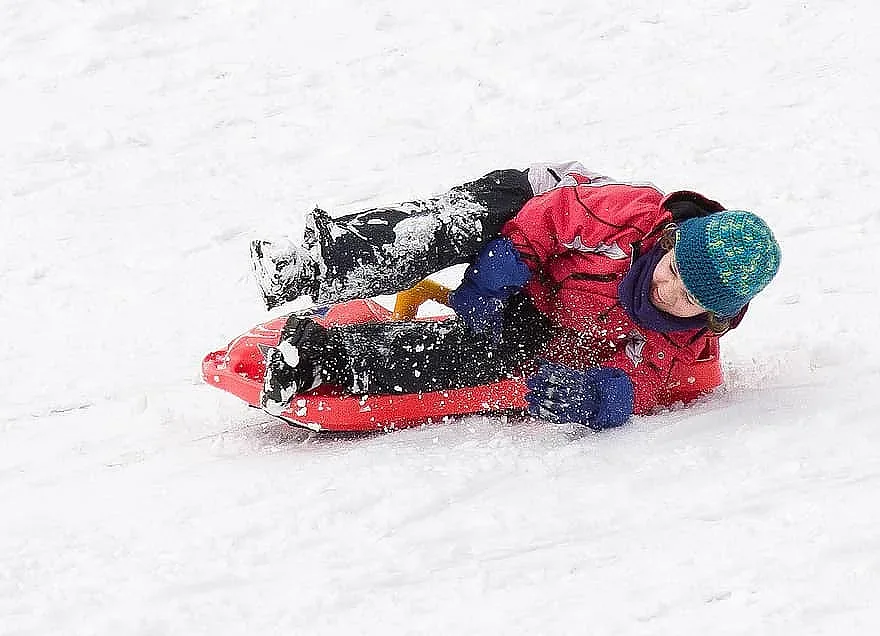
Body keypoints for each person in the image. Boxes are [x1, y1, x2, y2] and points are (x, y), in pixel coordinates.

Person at [250, 161, 781, 430]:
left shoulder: (688, 346)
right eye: (672, 271)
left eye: (689, 298)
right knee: (458, 227)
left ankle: (317, 355)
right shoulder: (628, 213)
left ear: (713, 316)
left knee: (484, 355)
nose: (668, 291)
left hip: (545, 307)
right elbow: (550, 218)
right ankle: (312, 264)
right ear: (668, 243)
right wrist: (495, 272)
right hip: (532, 205)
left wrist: (600, 398)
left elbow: (651, 383)